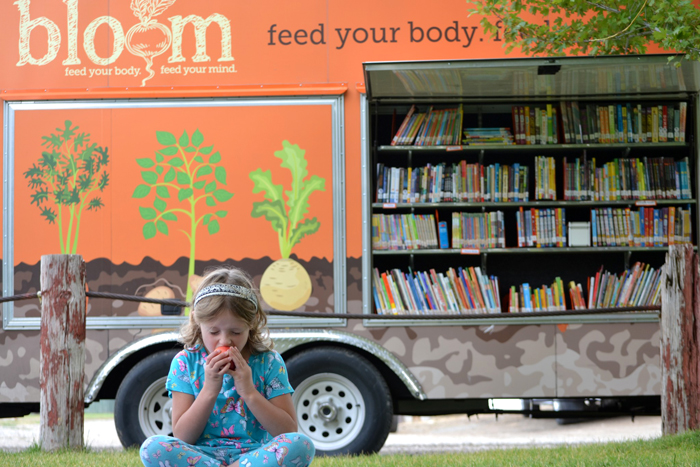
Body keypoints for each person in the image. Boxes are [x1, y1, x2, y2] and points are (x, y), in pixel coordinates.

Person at [140, 266, 315, 467]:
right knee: (152, 448)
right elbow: (183, 436)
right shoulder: (185, 363)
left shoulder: (269, 362)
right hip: (201, 455)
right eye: (214, 331)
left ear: (253, 323)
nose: (225, 340)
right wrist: (209, 390)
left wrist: (249, 392)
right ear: (198, 321)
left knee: (301, 445)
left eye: (236, 331)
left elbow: (287, 431)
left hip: (256, 455)